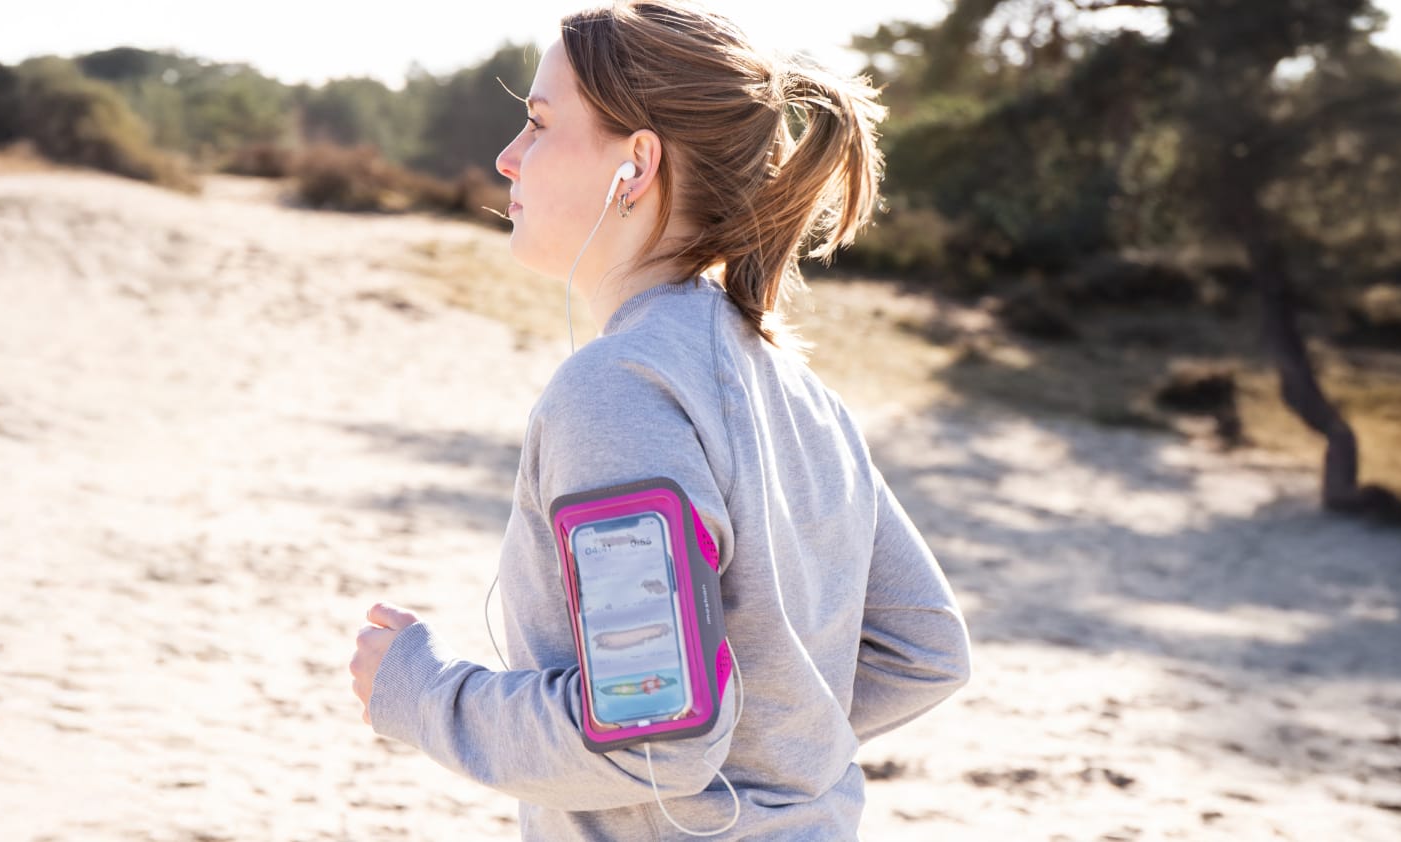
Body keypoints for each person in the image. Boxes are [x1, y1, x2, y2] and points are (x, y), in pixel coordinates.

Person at [349, 2, 972, 838]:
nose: (507, 158)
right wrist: (768, 760)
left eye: (537, 123)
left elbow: (655, 743)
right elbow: (920, 649)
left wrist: (421, 693)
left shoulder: (619, 391)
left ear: (636, 165)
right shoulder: (797, 388)